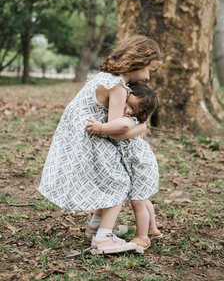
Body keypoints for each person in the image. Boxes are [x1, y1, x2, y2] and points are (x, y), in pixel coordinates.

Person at [38, 34, 160, 254]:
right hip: (89, 136)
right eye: (149, 70)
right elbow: (115, 130)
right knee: (118, 181)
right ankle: (103, 239)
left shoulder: (107, 75)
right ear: (139, 62)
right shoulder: (119, 87)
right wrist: (141, 128)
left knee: (109, 178)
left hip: (76, 133)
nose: (149, 77)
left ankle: (95, 226)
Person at [86, 83, 161, 252]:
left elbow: (122, 129)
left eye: (132, 107)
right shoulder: (131, 119)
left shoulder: (130, 121)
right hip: (136, 166)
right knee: (143, 199)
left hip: (141, 167)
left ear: (140, 113)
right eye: (126, 103)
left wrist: (101, 128)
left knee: (138, 203)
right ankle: (153, 229)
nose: (126, 109)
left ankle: (143, 237)